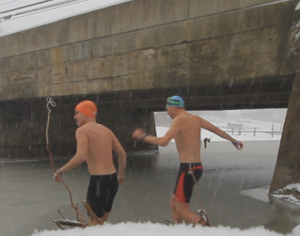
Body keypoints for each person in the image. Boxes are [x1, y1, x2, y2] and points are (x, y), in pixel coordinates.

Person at [132, 95, 243, 226]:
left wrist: (143, 136)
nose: (167, 112)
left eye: (167, 108)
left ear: (173, 107)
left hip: (188, 169)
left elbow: (163, 141)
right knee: (173, 203)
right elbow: (216, 130)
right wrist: (233, 140)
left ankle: (206, 228)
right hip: (196, 167)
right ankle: (178, 228)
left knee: (181, 208)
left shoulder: (179, 120)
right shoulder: (195, 119)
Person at [54, 100, 126, 225]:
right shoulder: (107, 131)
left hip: (98, 182)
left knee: (94, 224)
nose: (74, 117)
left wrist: (60, 171)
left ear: (86, 113)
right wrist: (121, 175)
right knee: (103, 221)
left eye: (77, 113)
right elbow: (122, 153)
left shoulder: (82, 131)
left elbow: (80, 157)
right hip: (112, 180)